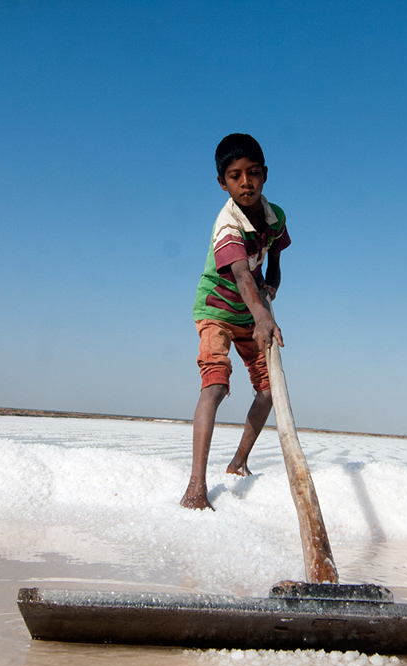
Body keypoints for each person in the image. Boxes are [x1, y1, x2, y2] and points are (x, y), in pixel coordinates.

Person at [180, 133, 288, 510]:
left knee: (269, 390)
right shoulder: (227, 225)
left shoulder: (276, 215)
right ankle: (196, 486)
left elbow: (275, 250)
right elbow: (242, 275)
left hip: (251, 311)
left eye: (253, 173)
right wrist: (262, 315)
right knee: (215, 385)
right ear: (222, 183)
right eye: (235, 175)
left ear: (265, 174)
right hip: (216, 311)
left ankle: (239, 462)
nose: (246, 182)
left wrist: (272, 280)